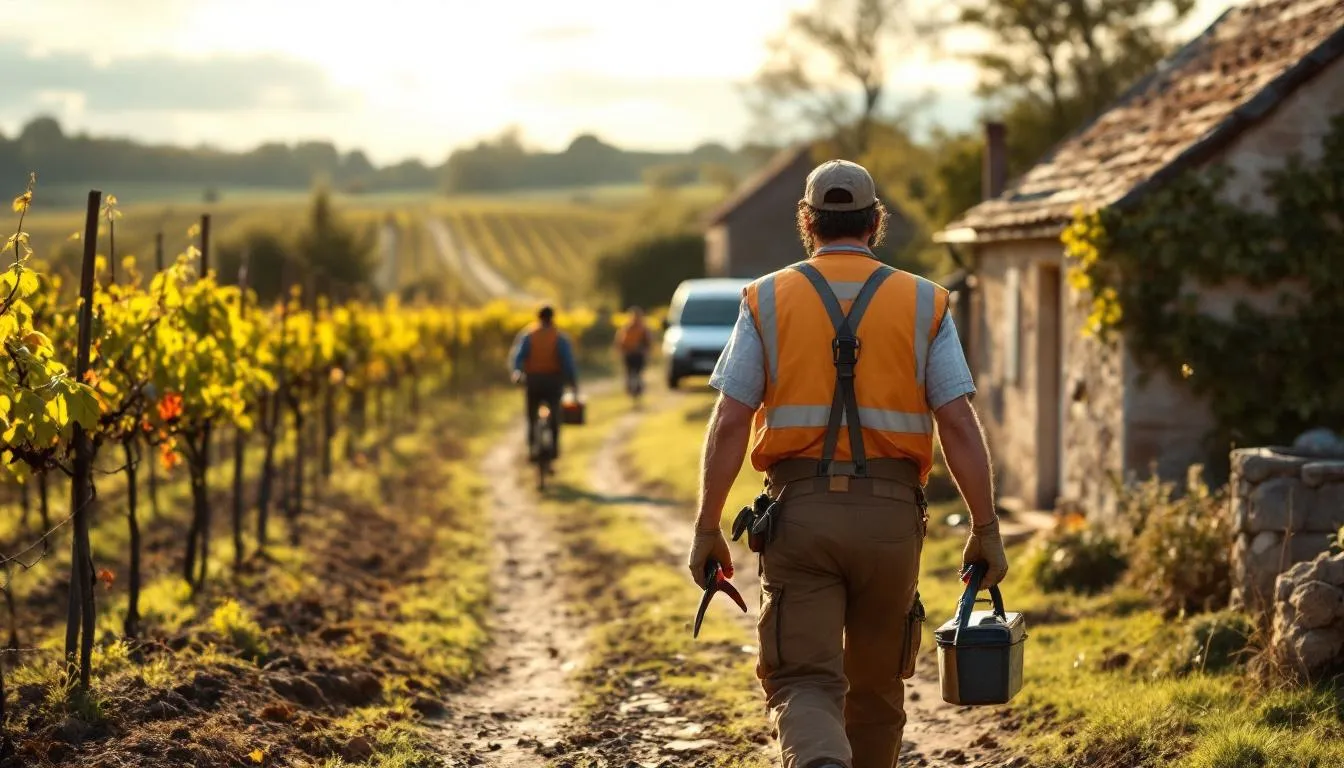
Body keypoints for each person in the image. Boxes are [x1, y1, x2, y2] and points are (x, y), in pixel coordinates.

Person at [686, 159, 1007, 768]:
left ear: (808, 221)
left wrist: (707, 526)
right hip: (891, 526)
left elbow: (730, 419)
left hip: (798, 519)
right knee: (877, 692)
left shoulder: (765, 299)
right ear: (875, 221)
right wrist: (985, 529)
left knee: (803, 679)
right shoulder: (926, 303)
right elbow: (959, 423)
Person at [509, 305, 579, 466]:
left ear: (538, 318)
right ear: (552, 318)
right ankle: (553, 449)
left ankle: (533, 448)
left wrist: (517, 372)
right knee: (555, 415)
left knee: (532, 416)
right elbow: (567, 363)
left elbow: (518, 358)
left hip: (533, 381)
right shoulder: (559, 337)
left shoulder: (529, 336)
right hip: (553, 382)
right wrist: (572, 382)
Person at [614, 306, 652, 405]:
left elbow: (648, 343)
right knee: (631, 375)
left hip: (638, 355)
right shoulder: (628, 328)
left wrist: (645, 351)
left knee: (637, 376)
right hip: (630, 355)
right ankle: (633, 394)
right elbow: (620, 342)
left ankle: (637, 395)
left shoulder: (641, 329)